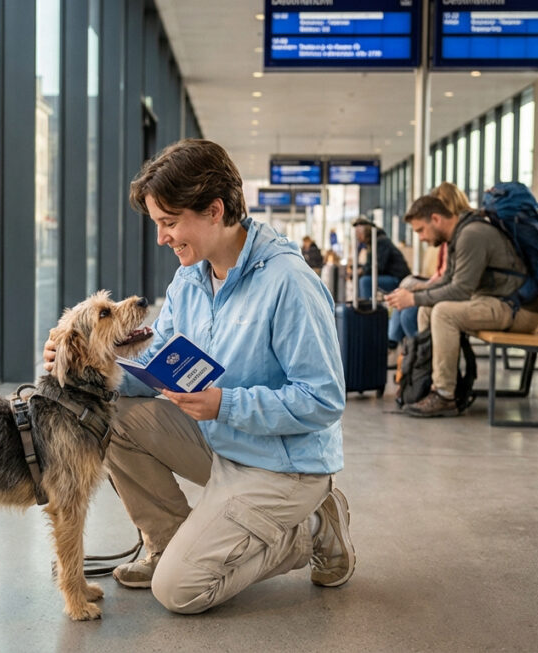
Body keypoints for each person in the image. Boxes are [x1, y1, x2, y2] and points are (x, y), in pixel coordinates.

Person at [42, 138, 353, 614]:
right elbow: (159, 366)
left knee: (180, 591)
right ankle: (168, 543)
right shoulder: (190, 277)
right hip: (222, 441)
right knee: (111, 417)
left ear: (214, 210)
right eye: (158, 225)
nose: (162, 238)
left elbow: (324, 400)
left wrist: (225, 403)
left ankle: (312, 528)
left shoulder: (289, 283)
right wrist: (86, 358)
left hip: (284, 465)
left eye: (169, 223)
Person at [385, 194, 538, 417]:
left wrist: (413, 298)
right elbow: (448, 280)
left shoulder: (471, 235)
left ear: (436, 219)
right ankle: (426, 381)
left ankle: (444, 395)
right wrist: (414, 292)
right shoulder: (459, 234)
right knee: (427, 310)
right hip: (492, 302)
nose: (420, 237)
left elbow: (460, 290)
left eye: (420, 230)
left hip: (518, 310)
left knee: (443, 313)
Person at [387, 183, 466, 348]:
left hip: (469, 297)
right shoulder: (453, 236)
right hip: (450, 288)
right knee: (408, 293)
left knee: (411, 311)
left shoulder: (463, 235)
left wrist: (419, 293)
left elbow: (456, 285)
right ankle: (408, 353)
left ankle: (411, 354)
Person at [353, 218, 411, 300]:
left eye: (359, 233)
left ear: (366, 232)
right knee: (360, 278)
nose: (357, 237)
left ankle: (366, 309)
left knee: (365, 281)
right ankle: (360, 306)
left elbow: (378, 267)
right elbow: (372, 265)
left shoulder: (381, 241)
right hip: (390, 276)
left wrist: (362, 270)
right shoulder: (373, 243)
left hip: (398, 279)